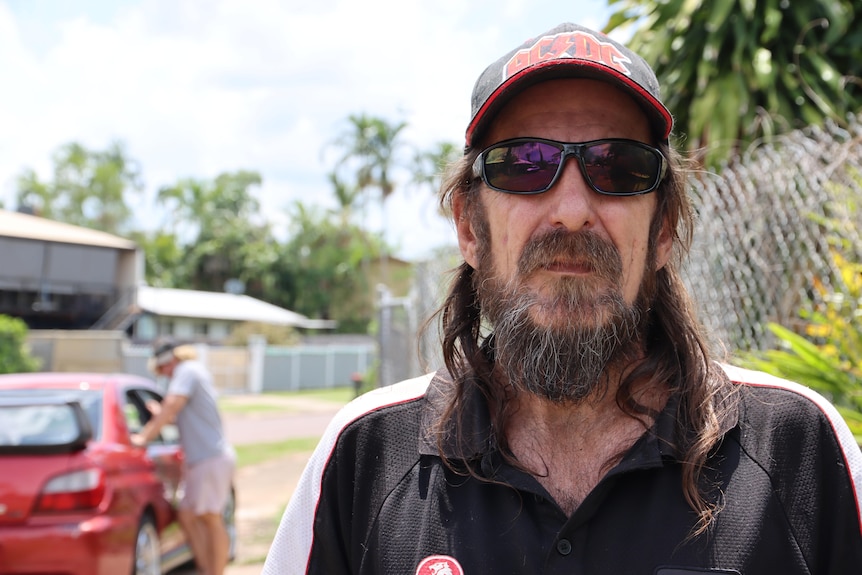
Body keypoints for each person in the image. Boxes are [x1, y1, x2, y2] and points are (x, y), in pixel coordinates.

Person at [263, 22, 862, 574]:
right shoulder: (363, 458)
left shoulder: (801, 452)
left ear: (663, 230)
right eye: (524, 164)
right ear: (470, 227)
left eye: (618, 167)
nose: (572, 212)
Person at [131, 338, 235, 575]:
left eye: (161, 368)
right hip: (202, 460)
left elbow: (172, 405)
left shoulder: (187, 370)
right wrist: (160, 414)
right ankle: (205, 567)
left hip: (210, 458)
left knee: (210, 517)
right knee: (187, 515)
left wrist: (143, 438)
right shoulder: (192, 373)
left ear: (171, 360)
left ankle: (215, 572)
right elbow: (177, 414)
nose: (162, 374)